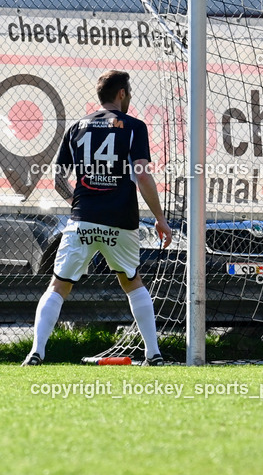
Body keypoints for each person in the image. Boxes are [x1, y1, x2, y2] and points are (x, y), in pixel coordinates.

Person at [23, 70, 172, 366]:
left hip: (83, 219)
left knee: (58, 285)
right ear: (121, 94)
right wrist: (160, 218)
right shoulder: (134, 127)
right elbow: (142, 175)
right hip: (121, 220)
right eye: (128, 93)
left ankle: (36, 352)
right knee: (132, 282)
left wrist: (78, 201)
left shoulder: (78, 127)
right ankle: (153, 353)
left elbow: (59, 179)